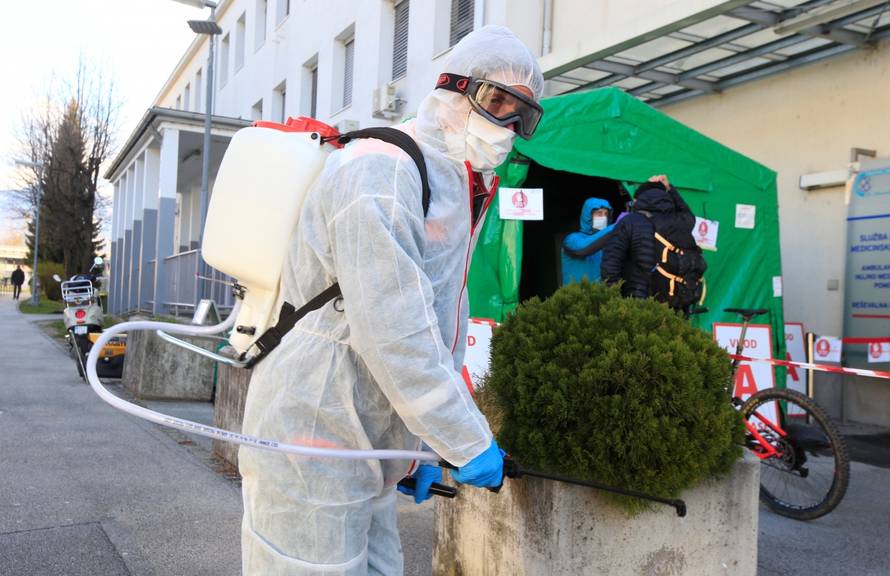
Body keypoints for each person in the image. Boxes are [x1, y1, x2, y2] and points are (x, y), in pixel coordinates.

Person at [238, 26, 543, 575]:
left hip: (366, 444)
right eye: (497, 102)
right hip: (314, 430)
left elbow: (436, 324)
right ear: (453, 89)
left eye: (524, 117)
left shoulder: (449, 182)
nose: (508, 127)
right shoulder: (381, 170)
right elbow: (394, 331)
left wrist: (418, 449)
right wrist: (464, 441)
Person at [601, 175, 694, 299]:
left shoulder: (630, 221)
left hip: (638, 301)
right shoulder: (681, 222)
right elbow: (687, 213)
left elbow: (611, 261)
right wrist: (670, 188)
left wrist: (613, 296)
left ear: (639, 199)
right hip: (675, 301)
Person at [560, 197, 613, 285]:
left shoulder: (608, 241)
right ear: (587, 216)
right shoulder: (571, 239)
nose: (603, 217)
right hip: (577, 296)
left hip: (602, 295)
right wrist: (615, 226)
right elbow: (582, 248)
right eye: (599, 214)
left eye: (606, 214)